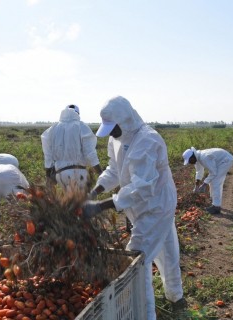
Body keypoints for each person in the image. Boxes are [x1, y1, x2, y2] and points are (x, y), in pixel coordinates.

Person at [82, 96, 185, 320]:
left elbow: (142, 187)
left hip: (156, 204)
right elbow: (113, 170)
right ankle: (176, 297)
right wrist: (95, 191)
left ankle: (145, 314)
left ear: (126, 120)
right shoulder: (116, 138)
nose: (111, 133)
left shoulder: (147, 141)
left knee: (138, 258)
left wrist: (101, 206)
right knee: (167, 249)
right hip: (140, 205)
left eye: (113, 128)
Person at [41, 104, 102, 192]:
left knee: (69, 202)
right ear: (78, 114)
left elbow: (48, 156)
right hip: (78, 173)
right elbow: (90, 153)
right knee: (82, 203)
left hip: (60, 174)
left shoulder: (52, 129)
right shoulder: (81, 126)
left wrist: (48, 178)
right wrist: (101, 173)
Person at [182, 147, 233, 214]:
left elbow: (213, 172)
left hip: (226, 160)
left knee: (216, 182)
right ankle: (213, 200)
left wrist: (204, 184)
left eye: (189, 160)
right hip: (221, 160)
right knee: (213, 181)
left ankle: (216, 207)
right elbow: (199, 171)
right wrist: (196, 186)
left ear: (192, 156)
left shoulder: (204, 157)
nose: (190, 163)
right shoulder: (197, 159)